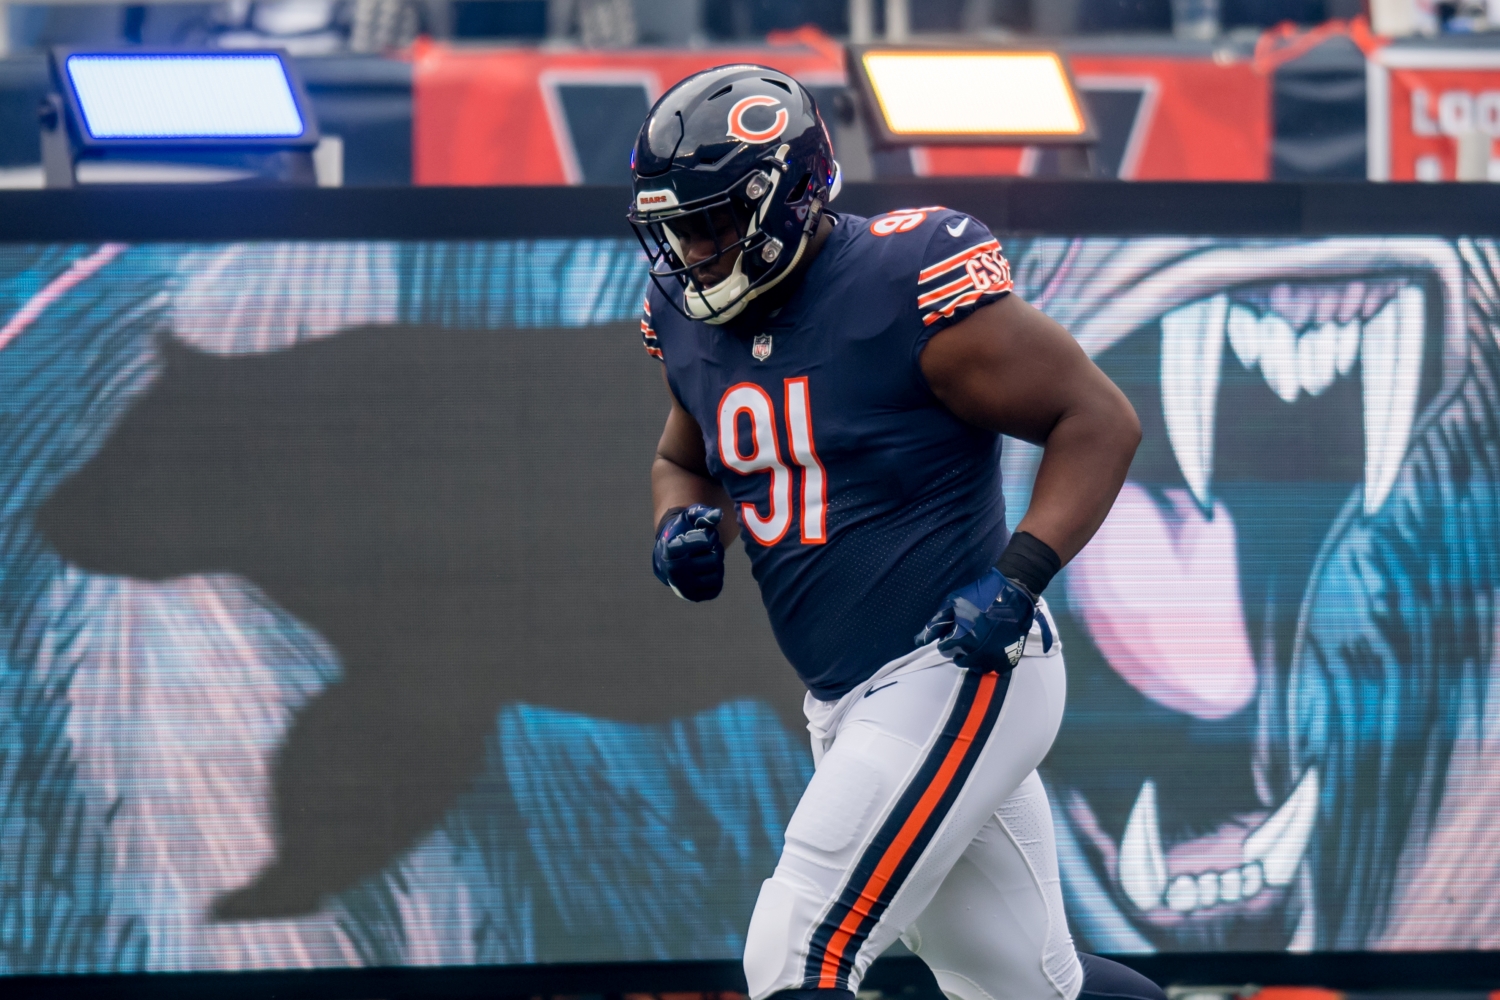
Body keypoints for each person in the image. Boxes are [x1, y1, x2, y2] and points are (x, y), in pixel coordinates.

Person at [629, 64, 1158, 1000]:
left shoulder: (901, 285)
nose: (691, 250)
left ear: (789, 199)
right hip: (847, 698)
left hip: (954, 664)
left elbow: (1098, 419)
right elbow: (685, 456)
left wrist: (1019, 576)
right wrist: (679, 528)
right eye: (675, 225)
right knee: (1027, 988)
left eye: (712, 220)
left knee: (797, 951)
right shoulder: (684, 318)